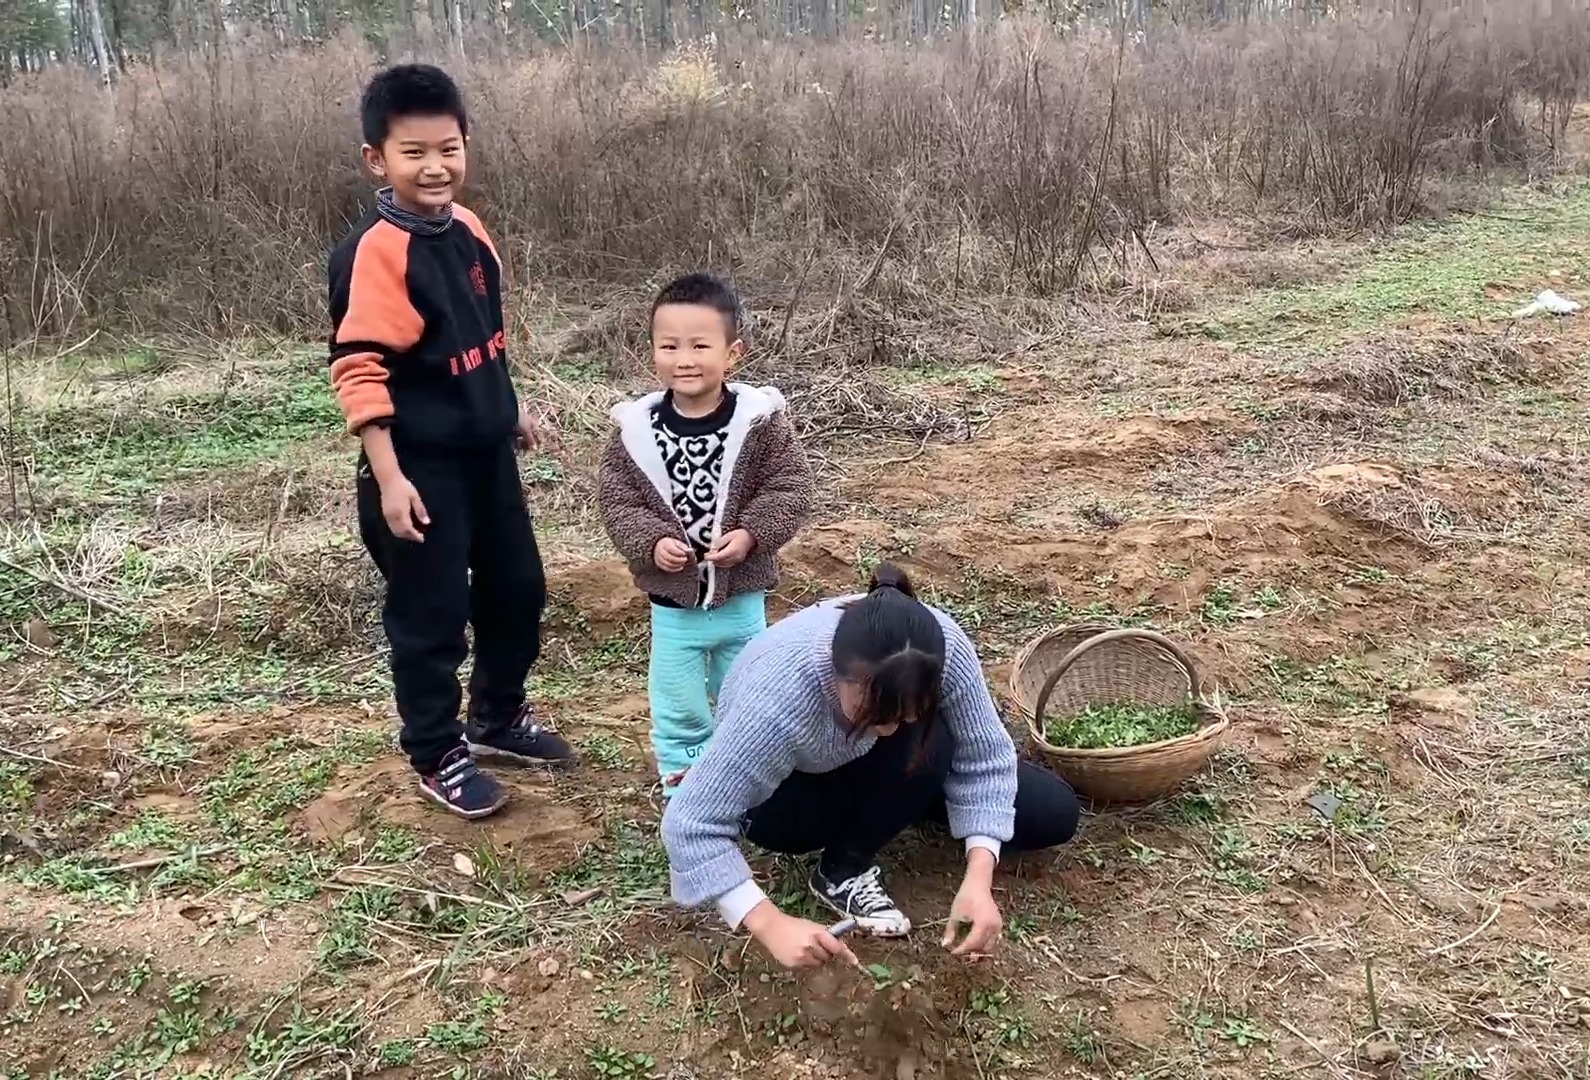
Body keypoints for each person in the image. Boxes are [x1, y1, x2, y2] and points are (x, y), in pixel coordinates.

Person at [326, 63, 574, 820]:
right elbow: (359, 369)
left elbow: (484, 338)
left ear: (466, 144)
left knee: (516, 589)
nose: (435, 167)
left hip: (485, 454)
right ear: (377, 159)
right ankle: (436, 751)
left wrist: (510, 406)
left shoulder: (468, 231)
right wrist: (391, 478)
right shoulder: (374, 252)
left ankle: (497, 716)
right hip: (418, 467)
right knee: (430, 616)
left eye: (449, 148)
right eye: (413, 152)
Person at [660, 563, 1082, 969]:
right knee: (918, 742)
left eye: (903, 713)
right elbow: (691, 823)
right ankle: (843, 868)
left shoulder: (940, 646)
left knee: (1051, 813)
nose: (889, 725)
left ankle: (907, 797)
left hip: (881, 765)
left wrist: (978, 876)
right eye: (875, 713)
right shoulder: (779, 699)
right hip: (786, 797)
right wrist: (769, 922)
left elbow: (985, 753)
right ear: (840, 677)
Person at [599, 273, 813, 795]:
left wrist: (751, 536)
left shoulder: (760, 422)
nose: (684, 359)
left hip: (741, 596)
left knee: (752, 691)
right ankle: (685, 785)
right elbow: (617, 500)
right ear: (652, 352)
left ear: (732, 352)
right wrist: (650, 543)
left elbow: (790, 486)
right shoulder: (636, 431)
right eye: (669, 346)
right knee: (678, 702)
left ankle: (754, 772)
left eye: (700, 345)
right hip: (674, 606)